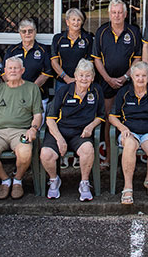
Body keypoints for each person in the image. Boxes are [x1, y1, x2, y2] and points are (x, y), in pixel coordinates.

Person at [0, 56, 43, 200]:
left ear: (22, 70)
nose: (13, 71)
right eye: (10, 68)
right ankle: (5, 180)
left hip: (21, 131)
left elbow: (38, 114)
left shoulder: (32, 88)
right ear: (5, 71)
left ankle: (18, 180)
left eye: (16, 68)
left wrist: (33, 129)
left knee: (25, 151)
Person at [41, 59, 105, 201]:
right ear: (75, 76)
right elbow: (50, 118)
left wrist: (91, 126)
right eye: (81, 75)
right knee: (46, 154)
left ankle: (84, 183)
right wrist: (59, 138)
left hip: (80, 133)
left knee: (88, 149)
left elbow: (101, 115)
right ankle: (54, 180)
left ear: (93, 77)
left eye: (88, 75)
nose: (84, 79)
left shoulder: (96, 90)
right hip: (59, 131)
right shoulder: (64, 90)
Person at [108, 61, 148, 205]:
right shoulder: (124, 92)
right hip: (130, 132)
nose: (140, 78)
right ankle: (128, 186)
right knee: (129, 144)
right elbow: (112, 116)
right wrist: (122, 128)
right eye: (137, 75)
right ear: (132, 77)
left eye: (143, 75)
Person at [92, 0, 142, 163]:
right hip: (106, 82)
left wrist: (126, 77)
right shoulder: (101, 32)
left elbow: (138, 58)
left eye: (120, 12)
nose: (117, 15)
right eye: (114, 12)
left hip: (128, 82)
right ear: (109, 14)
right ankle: (109, 157)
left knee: (127, 117)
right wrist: (108, 78)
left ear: (126, 14)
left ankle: (127, 156)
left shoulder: (134, 32)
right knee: (108, 118)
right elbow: (97, 59)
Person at [4, 19, 53, 106]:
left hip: (38, 95)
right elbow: (4, 72)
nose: (27, 34)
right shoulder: (12, 50)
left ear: (35, 32)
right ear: (20, 33)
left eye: (30, 31)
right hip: (16, 95)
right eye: (24, 31)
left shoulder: (43, 50)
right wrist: (15, 88)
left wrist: (30, 89)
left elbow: (47, 72)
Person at [51, 8, 94, 94]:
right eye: (73, 19)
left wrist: (80, 79)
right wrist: (66, 78)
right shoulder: (58, 39)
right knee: (60, 106)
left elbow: (90, 63)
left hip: (82, 82)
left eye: (79, 20)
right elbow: (54, 62)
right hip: (62, 82)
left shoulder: (87, 39)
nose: (76, 22)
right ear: (67, 22)